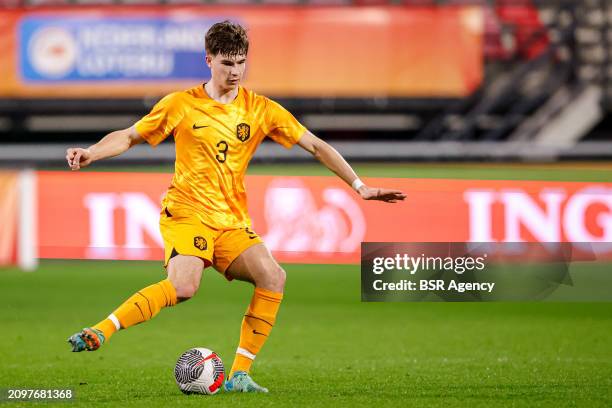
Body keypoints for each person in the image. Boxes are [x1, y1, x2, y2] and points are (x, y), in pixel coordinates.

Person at [65, 20, 406, 393]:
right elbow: (130, 136)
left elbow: (316, 145)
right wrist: (92, 153)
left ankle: (240, 374)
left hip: (230, 221)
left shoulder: (260, 109)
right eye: (227, 63)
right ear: (208, 60)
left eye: (241, 62)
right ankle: (102, 329)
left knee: (274, 277)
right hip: (188, 212)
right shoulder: (180, 104)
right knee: (184, 286)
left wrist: (360, 186)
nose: (236, 71)